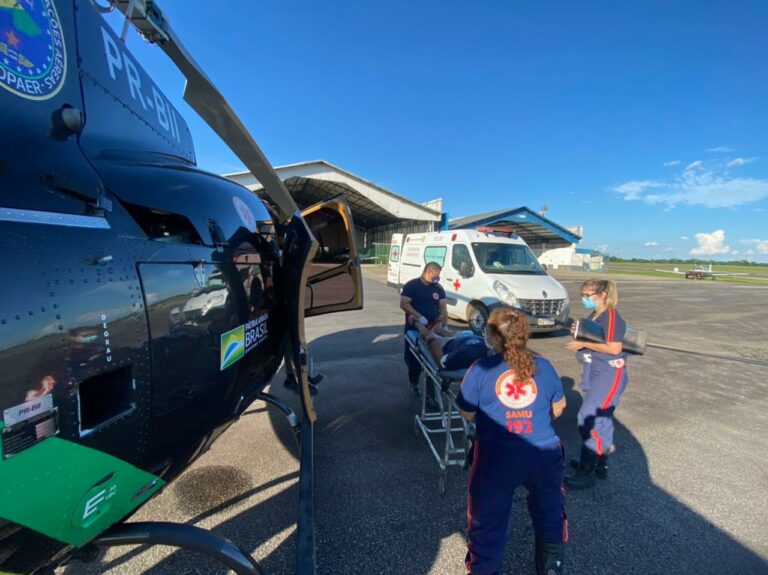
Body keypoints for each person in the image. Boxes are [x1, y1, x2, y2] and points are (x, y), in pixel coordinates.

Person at [457, 309, 567, 575]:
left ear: (494, 337)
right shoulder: (545, 366)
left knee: (488, 519)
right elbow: (559, 407)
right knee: (550, 509)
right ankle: (551, 568)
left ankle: (484, 570)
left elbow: (468, 412)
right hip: (544, 452)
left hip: (497, 457)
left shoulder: (481, 369)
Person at [564, 278, 628, 490]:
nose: (584, 299)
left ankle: (587, 471)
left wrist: (582, 343)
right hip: (595, 372)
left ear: (602, 295)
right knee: (602, 420)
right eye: (583, 295)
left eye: (588, 295)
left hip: (608, 374)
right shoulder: (596, 315)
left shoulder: (611, 316)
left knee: (588, 418)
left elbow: (614, 348)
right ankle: (599, 463)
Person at [400, 262, 448, 394]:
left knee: (432, 360)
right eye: (436, 274)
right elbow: (404, 304)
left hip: (433, 327)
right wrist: (418, 316)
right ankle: (413, 382)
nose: (438, 277)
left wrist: (444, 324)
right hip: (414, 327)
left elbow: (443, 307)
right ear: (429, 272)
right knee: (413, 360)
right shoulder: (412, 286)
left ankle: (431, 393)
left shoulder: (438, 288)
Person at [409, 317, 488, 370]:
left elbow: (441, 362)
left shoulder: (469, 353)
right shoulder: (487, 345)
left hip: (446, 345)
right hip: (464, 340)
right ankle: (439, 330)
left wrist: (432, 340)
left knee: (428, 334)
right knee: (467, 334)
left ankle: (418, 325)